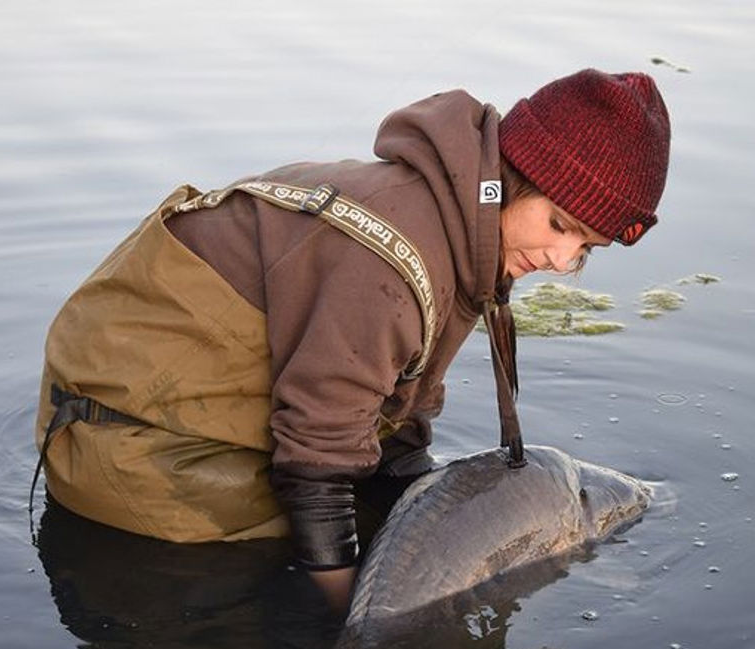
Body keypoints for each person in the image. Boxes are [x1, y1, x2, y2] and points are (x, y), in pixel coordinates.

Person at [33, 68, 670, 613]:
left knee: (419, 544)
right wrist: (353, 626)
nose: (562, 259)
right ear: (513, 175)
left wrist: (429, 515)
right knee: (348, 592)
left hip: (190, 418)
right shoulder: (393, 255)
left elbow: (401, 412)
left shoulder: (464, 228)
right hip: (131, 445)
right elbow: (319, 459)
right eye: (560, 224)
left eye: (586, 245)